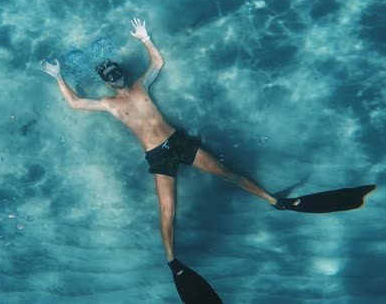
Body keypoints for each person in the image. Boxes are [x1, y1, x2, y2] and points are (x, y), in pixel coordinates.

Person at [40, 18, 278, 263]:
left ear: (122, 71)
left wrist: (145, 38)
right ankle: (172, 261)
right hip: (158, 156)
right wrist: (58, 77)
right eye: (110, 76)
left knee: (229, 173)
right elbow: (76, 103)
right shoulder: (109, 104)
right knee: (167, 211)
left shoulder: (141, 86)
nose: (116, 78)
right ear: (106, 81)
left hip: (178, 142)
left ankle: (274, 200)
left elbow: (158, 62)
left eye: (117, 72)